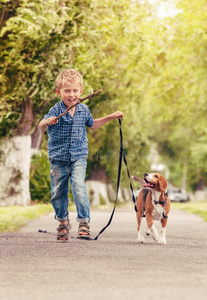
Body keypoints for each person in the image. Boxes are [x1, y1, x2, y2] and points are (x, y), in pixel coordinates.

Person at [39, 69, 123, 242]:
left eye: (75, 90)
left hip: (78, 157)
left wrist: (111, 117)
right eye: (67, 91)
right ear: (59, 92)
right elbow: (41, 124)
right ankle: (62, 222)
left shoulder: (83, 110)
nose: (71, 94)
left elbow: (93, 125)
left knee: (78, 186)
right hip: (58, 159)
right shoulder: (55, 109)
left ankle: (84, 223)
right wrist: (48, 121)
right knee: (58, 192)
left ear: (81, 92)